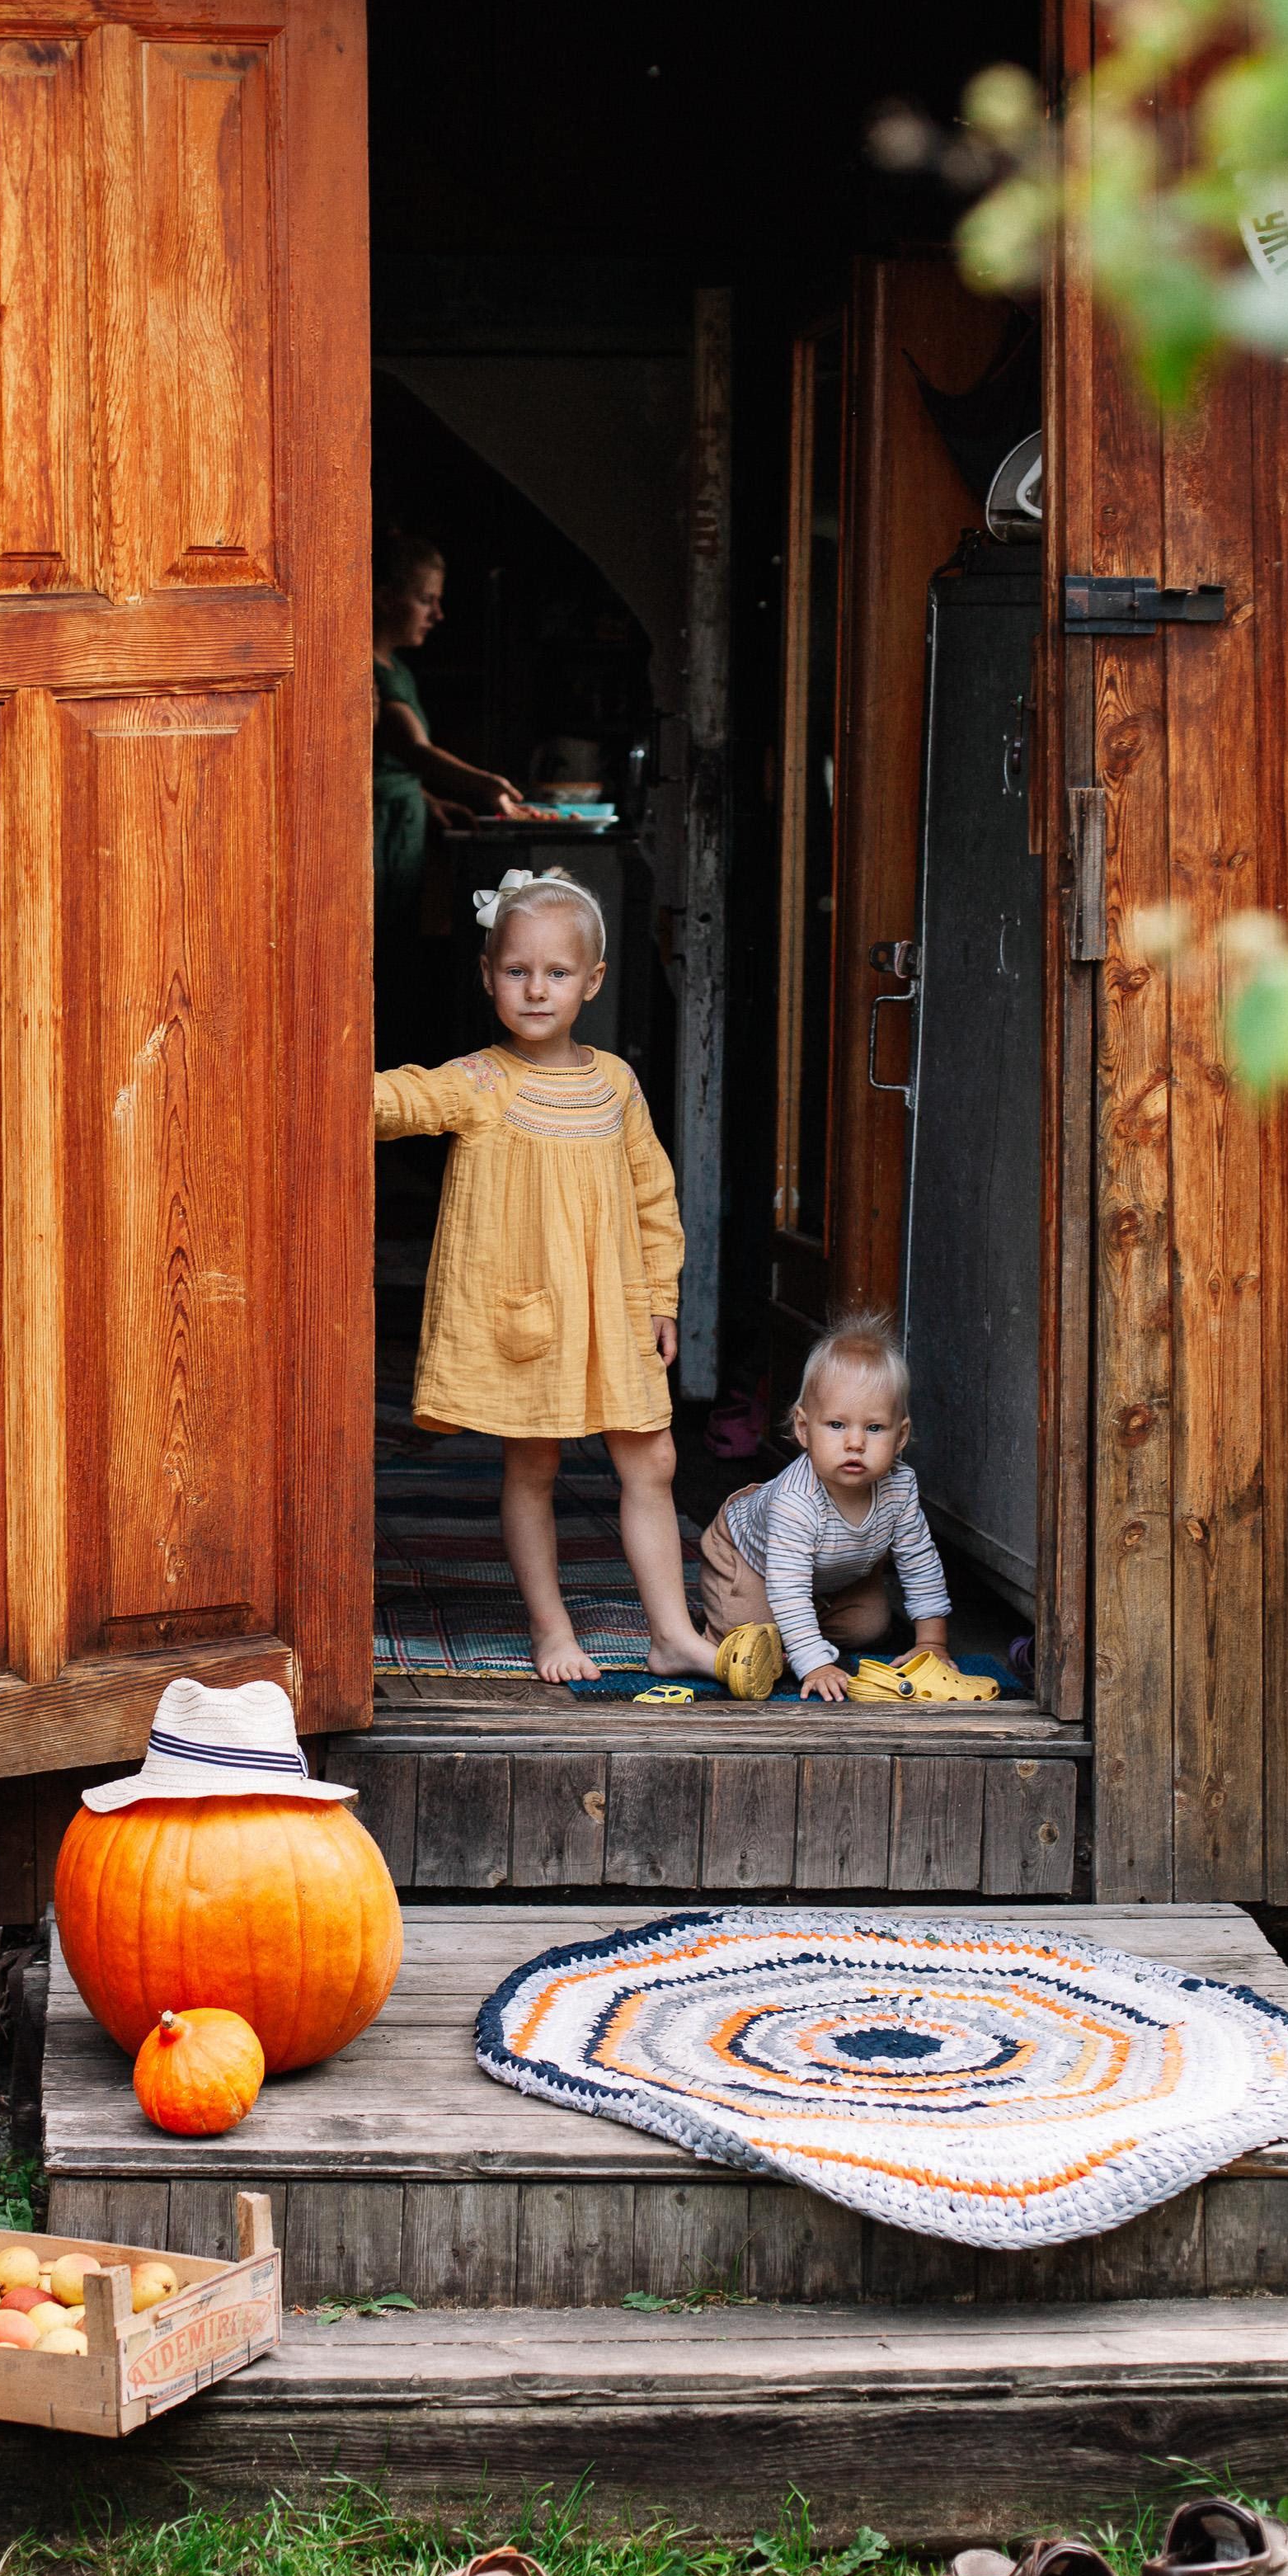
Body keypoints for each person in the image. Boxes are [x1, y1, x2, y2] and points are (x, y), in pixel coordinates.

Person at [374, 868, 772, 1691]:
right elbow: (397, 1099)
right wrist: (318, 1065)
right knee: (534, 1465)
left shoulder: (615, 1083)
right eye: (515, 970)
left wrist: (661, 1298)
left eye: (556, 973)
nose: (534, 988)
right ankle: (550, 1623)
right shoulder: (480, 1080)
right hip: (538, 1316)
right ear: (486, 976)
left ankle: (670, 1633)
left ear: (591, 982)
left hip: (617, 1311)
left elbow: (653, 1198)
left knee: (652, 1458)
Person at [698, 1312, 964, 1702]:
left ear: (900, 1435)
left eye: (874, 1428)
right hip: (746, 1559)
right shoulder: (796, 1501)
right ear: (804, 1429)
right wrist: (816, 1664)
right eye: (837, 1425)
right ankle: (772, 1637)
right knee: (747, 1626)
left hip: (831, 1574)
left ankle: (801, 1631)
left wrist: (932, 1640)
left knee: (870, 1628)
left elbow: (919, 1562)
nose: (855, 1442)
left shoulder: (900, 1487)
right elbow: (787, 1588)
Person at [373, 530, 528, 1062]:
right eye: (424, 599)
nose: (437, 614)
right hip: (376, 833)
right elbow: (411, 748)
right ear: (383, 596)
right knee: (377, 958)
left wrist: (432, 805)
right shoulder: (367, 674)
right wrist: (486, 785)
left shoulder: (400, 670)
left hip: (404, 823)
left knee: (398, 952)